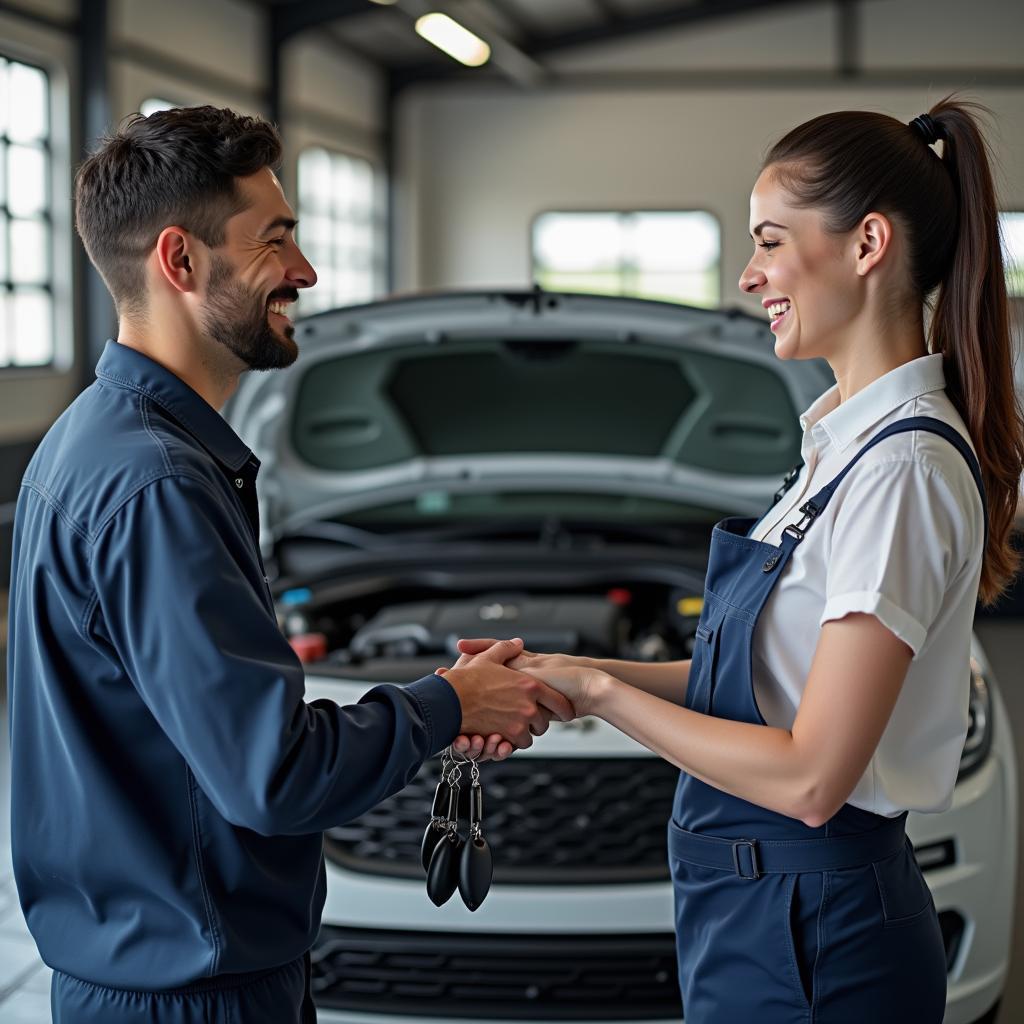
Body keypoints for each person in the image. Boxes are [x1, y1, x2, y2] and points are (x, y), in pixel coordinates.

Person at [448, 97, 1024, 1022]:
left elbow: (810, 775)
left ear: (868, 243)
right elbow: (759, 680)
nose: (750, 276)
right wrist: (575, 669)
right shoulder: (845, 450)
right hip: (761, 914)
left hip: (818, 929)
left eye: (768, 240)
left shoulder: (902, 470)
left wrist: (603, 702)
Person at [6, 105, 571, 1024]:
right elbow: (274, 776)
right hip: (193, 997)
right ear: (180, 262)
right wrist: (449, 703)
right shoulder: (157, 485)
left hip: (151, 970)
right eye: (275, 240)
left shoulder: (94, 443)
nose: (306, 272)